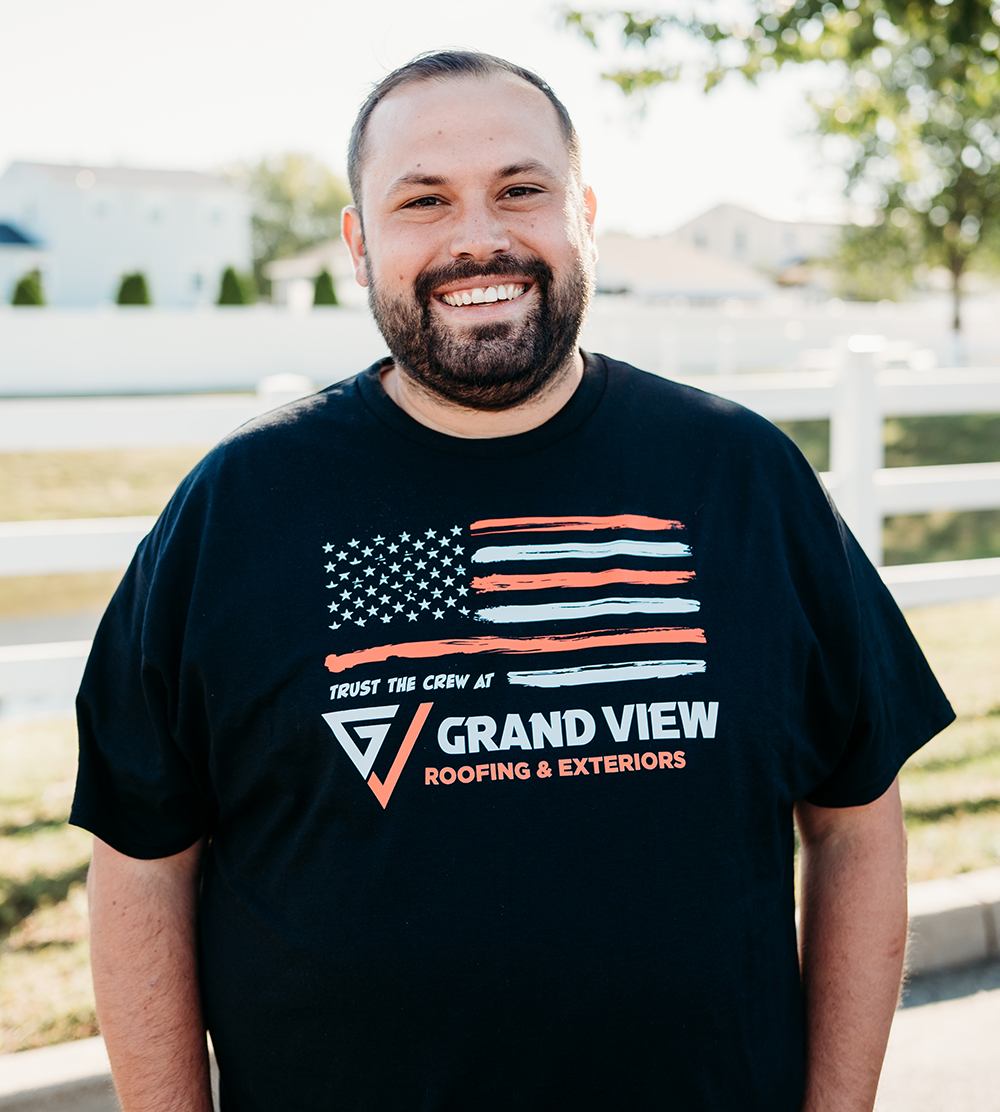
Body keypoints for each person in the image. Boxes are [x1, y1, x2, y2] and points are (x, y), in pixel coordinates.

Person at [72, 51, 953, 1112]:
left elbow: (856, 819)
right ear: (360, 242)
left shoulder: (742, 476)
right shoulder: (238, 508)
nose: (476, 237)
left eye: (520, 189)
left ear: (582, 212)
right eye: (423, 200)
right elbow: (140, 861)